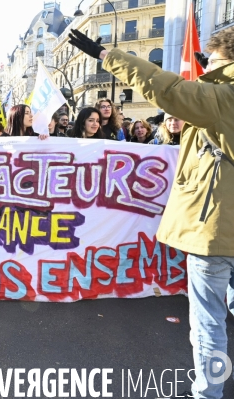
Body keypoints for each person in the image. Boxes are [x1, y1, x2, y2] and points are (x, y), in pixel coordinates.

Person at [69, 26, 234, 399]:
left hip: (217, 233)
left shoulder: (224, 97)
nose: (206, 67)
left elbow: (168, 89)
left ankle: (208, 393)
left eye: (212, 62)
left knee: (209, 322)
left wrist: (106, 57)